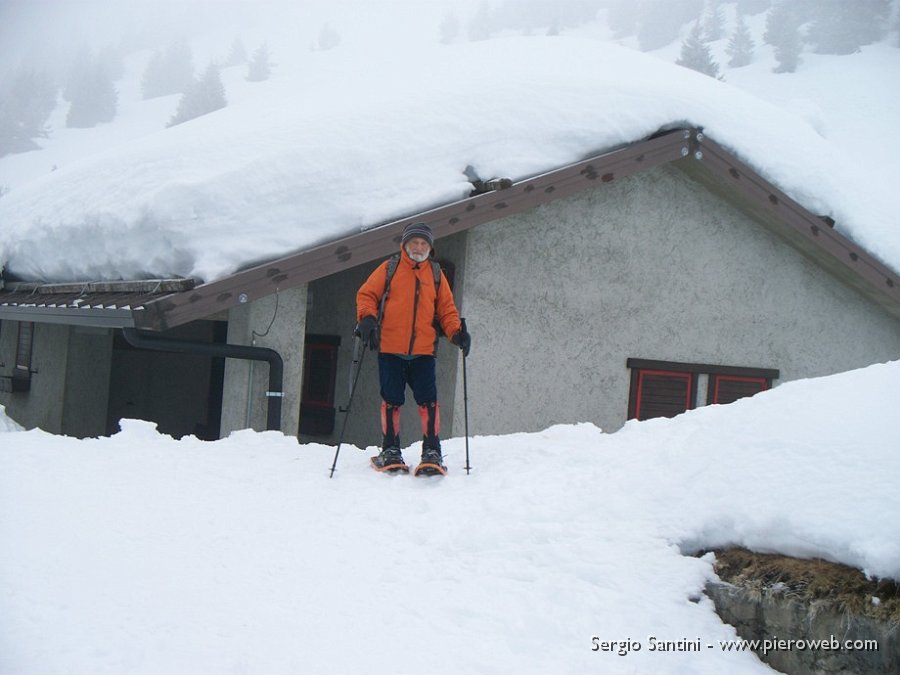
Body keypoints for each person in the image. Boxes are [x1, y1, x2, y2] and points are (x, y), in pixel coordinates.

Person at [356, 222, 471, 474]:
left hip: (423, 352)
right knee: (392, 400)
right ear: (405, 245)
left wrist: (456, 333)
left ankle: (432, 451)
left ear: (430, 247)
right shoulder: (390, 268)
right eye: (414, 243)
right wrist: (367, 318)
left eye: (423, 244)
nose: (418, 248)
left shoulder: (436, 275)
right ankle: (390, 450)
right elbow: (366, 295)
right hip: (390, 349)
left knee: (428, 401)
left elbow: (447, 311)